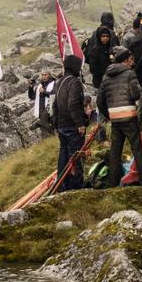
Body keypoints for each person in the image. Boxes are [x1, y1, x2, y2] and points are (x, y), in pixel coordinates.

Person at [97, 46, 142, 187]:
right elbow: (135, 95)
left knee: (115, 151)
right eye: (129, 59)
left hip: (115, 118)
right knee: (137, 149)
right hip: (129, 116)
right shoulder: (129, 74)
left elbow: (99, 101)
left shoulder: (106, 76)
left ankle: (113, 184)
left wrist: (109, 115)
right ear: (125, 60)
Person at [52, 54, 89, 192]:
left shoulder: (59, 82)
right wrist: (80, 124)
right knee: (76, 155)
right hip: (72, 126)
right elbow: (73, 104)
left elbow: (54, 106)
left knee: (63, 156)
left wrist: (56, 125)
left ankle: (62, 185)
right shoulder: (74, 82)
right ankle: (76, 186)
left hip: (61, 126)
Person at [84, 18, 115, 89]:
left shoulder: (110, 48)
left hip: (110, 80)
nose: (105, 38)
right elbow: (93, 68)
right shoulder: (95, 50)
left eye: (107, 36)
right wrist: (104, 73)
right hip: (99, 81)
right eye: (103, 36)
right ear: (99, 37)